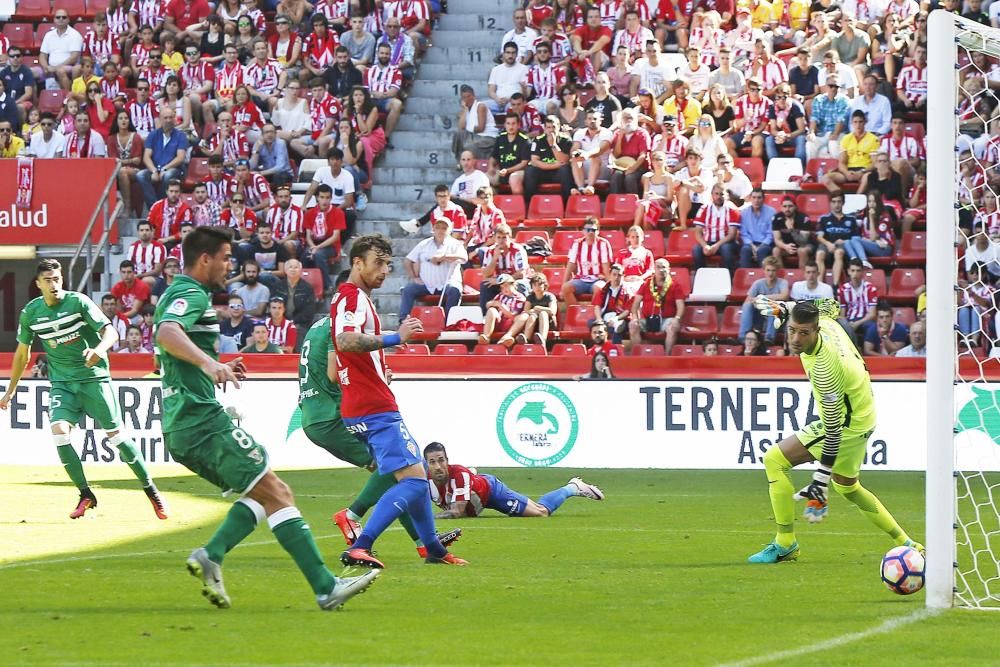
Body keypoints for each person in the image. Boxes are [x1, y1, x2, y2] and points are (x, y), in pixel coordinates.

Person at [153, 227, 377, 609]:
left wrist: (218, 364)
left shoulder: (184, 294)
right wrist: (209, 364)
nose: (230, 265)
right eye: (225, 257)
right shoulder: (189, 293)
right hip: (200, 422)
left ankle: (213, 554)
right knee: (279, 493)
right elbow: (166, 332)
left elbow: (174, 344)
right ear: (205, 258)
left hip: (184, 424)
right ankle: (325, 587)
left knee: (262, 494)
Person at [746, 297, 924, 563]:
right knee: (849, 488)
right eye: (792, 330)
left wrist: (820, 479)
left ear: (816, 331)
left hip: (847, 424)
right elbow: (831, 303)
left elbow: (833, 431)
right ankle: (908, 543)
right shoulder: (826, 318)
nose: (795, 339)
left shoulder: (825, 369)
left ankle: (785, 543)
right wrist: (787, 307)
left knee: (775, 459)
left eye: (803, 333)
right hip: (865, 413)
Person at [332, 234, 467, 568]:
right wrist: (396, 338)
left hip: (364, 403)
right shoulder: (352, 298)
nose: (384, 270)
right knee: (416, 481)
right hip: (373, 407)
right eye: (377, 263)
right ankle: (360, 545)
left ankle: (433, 548)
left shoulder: (352, 299)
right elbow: (346, 340)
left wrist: (376, 368)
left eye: (388, 264)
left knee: (417, 478)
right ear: (357, 263)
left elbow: (337, 362)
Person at [0, 259, 167, 520]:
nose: (53, 285)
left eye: (57, 279)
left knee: (117, 438)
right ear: (38, 284)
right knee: (59, 433)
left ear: (62, 279)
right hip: (63, 384)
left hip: (93, 380)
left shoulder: (79, 302)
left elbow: (110, 332)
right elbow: (23, 354)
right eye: (48, 280)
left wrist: (98, 351)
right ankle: (86, 494)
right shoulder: (31, 313)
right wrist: (11, 391)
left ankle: (151, 489)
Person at [301, 315, 463, 559]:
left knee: (400, 474)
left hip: (319, 413)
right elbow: (334, 374)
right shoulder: (339, 323)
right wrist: (372, 382)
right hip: (331, 415)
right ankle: (353, 515)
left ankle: (424, 543)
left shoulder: (317, 326)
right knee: (399, 468)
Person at [426, 442, 603, 518]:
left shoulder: (459, 475)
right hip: (475, 496)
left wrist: (430, 519)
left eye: (441, 460)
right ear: (427, 465)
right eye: (432, 462)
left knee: (541, 512)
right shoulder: (425, 482)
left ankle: (572, 487)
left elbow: (457, 512)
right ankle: (474, 480)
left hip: (492, 492)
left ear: (447, 461)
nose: (438, 466)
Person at [399, 219, 467, 321]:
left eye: (444, 228)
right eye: (438, 228)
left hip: (447, 283)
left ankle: (450, 321)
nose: (440, 231)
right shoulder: (424, 244)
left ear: (449, 230)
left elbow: (464, 258)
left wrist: (444, 257)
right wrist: (415, 277)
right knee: (408, 290)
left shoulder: (455, 244)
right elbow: (408, 260)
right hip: (427, 284)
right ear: (433, 229)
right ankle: (403, 320)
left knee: (455, 290)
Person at [137, 107, 189, 210]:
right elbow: (146, 157)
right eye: (165, 118)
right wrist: (154, 171)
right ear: (160, 119)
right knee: (140, 175)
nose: (168, 120)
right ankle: (154, 207)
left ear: (175, 119)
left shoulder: (181, 136)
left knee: (167, 175)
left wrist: (164, 169)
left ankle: (162, 205)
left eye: (171, 117)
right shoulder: (153, 135)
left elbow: (180, 158)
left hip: (174, 169)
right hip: (155, 168)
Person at [629, 258, 685, 354]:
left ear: (668, 269)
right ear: (654, 269)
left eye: (664, 267)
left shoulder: (675, 285)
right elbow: (635, 304)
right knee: (633, 325)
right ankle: (638, 355)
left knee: (672, 327)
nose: (661, 270)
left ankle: (667, 357)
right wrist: (634, 317)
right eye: (658, 267)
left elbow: (681, 306)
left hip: (666, 320)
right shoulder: (646, 284)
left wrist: (677, 319)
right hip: (647, 320)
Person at [561, 216, 613, 306]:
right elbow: (570, 265)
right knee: (566, 288)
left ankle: (592, 313)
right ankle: (577, 312)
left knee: (599, 288)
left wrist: (611, 286)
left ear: (598, 231)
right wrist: (564, 284)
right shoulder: (577, 243)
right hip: (581, 279)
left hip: (598, 279)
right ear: (583, 231)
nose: (590, 232)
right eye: (588, 230)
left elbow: (606, 268)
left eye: (593, 230)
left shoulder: (603, 244)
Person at [523, 114, 574, 204]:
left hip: (558, 173)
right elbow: (534, 161)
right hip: (543, 171)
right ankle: (529, 203)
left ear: (559, 126)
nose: (551, 130)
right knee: (530, 170)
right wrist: (554, 165)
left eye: (553, 127)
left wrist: (553, 145)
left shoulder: (566, 140)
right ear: (545, 129)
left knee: (565, 169)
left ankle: (567, 203)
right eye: (548, 127)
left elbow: (564, 160)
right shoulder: (538, 140)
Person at [692, 184, 740, 273]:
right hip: (708, 241)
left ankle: (728, 278)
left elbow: (732, 234)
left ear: (727, 196)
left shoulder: (732, 209)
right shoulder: (704, 208)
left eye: (721, 194)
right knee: (697, 250)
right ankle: (701, 278)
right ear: (712, 195)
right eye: (716, 194)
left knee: (726, 250)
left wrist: (716, 246)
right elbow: (698, 232)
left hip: (726, 242)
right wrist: (705, 245)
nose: (718, 197)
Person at [740, 257, 790, 343]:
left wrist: (763, 298)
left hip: (776, 317)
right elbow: (747, 301)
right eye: (768, 270)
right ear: (764, 270)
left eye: (773, 270)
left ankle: (769, 337)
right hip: (759, 317)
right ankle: (743, 336)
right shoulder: (758, 283)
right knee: (747, 306)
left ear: (777, 271)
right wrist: (756, 303)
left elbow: (784, 296)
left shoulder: (782, 282)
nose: (770, 273)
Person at [815, 191, 859, 285]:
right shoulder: (823, 218)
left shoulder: (851, 219)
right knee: (819, 253)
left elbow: (856, 239)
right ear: (830, 203)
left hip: (843, 247)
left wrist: (844, 241)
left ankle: (835, 285)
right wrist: (828, 244)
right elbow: (819, 237)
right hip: (827, 244)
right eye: (834, 202)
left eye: (839, 202)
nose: (836, 205)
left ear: (843, 203)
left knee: (839, 252)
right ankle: (819, 285)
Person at [609, 107, 651, 195]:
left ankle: (633, 203)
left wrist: (632, 168)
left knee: (630, 177)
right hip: (622, 165)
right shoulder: (617, 133)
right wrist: (620, 137)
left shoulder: (642, 133)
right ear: (621, 121)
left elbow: (643, 155)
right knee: (616, 175)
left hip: (639, 166)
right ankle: (616, 202)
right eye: (625, 118)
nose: (628, 120)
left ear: (635, 120)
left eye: (630, 118)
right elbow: (616, 155)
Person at [40, 9, 84, 91]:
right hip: (50, 67)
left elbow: (74, 57)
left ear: (68, 20)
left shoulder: (75, 35)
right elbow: (43, 55)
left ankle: (69, 97)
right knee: (30, 72)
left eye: (64, 17)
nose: (61, 19)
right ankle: (36, 102)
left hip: (69, 66)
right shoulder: (49, 35)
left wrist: (56, 67)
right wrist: (46, 67)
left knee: (60, 71)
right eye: (58, 17)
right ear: (54, 20)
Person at [452, 84, 498, 162]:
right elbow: (461, 128)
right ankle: (460, 161)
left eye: (469, 96)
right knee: (458, 134)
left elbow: (480, 128)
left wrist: (469, 128)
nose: (467, 99)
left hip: (487, 136)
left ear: (474, 96)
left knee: (469, 145)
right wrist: (465, 109)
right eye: (464, 97)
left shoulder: (480, 106)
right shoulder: (465, 110)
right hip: (474, 135)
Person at [489, 113, 531, 197]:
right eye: (508, 123)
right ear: (504, 125)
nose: (511, 126)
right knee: (484, 179)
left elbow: (524, 163)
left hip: (519, 171)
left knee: (514, 178)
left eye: (513, 123)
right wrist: (491, 167)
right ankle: (495, 204)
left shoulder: (524, 140)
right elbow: (493, 157)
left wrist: (508, 170)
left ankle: (519, 206)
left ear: (518, 124)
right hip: (502, 171)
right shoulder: (500, 138)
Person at [838, 258, 879, 342]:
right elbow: (842, 314)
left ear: (862, 272)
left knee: (872, 327)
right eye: (853, 270)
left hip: (866, 319)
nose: (855, 274)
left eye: (858, 271)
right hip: (850, 319)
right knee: (841, 326)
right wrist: (847, 323)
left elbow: (872, 314)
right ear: (848, 271)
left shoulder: (871, 289)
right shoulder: (842, 289)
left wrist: (857, 323)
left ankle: (867, 350)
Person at [272, 258, 316, 337]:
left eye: (296, 267)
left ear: (300, 270)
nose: (293, 269)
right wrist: (283, 321)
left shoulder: (307, 288)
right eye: (290, 267)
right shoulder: (277, 286)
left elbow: (309, 312)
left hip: (299, 323)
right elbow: (272, 306)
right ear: (285, 270)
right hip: (279, 321)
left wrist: (292, 321)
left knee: (297, 330)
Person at [480, 274, 527, 346]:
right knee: (491, 310)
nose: (504, 289)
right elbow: (488, 304)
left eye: (506, 286)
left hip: (511, 323)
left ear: (513, 285)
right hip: (499, 321)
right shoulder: (500, 296)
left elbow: (512, 314)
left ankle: (507, 336)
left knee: (523, 316)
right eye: (501, 287)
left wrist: (500, 305)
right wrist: (492, 303)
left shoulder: (520, 298)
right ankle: (486, 336)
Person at [771, 194, 813, 268]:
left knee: (802, 251)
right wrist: (785, 246)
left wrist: (791, 230)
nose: (787, 209)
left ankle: (802, 276)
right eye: (784, 206)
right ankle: (781, 275)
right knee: (776, 250)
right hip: (786, 246)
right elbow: (777, 240)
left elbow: (803, 242)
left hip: (804, 245)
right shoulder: (777, 218)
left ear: (795, 207)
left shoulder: (803, 218)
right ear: (781, 207)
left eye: (790, 206)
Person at [489, 42, 530, 113]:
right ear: (503, 54)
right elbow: (491, 90)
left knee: (512, 107)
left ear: (517, 54)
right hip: (497, 102)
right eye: (508, 52)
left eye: (513, 53)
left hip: (513, 102)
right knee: (480, 106)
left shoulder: (524, 69)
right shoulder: (496, 69)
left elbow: (524, 92)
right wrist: (497, 99)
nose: (510, 55)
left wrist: (508, 99)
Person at [740, 188, 776, 268]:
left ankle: (763, 277)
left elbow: (770, 234)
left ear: (763, 199)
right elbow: (744, 234)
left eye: (759, 198)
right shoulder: (744, 212)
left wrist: (760, 247)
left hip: (765, 243)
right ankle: (746, 276)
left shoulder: (771, 212)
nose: (756, 200)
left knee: (762, 251)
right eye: (754, 197)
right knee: (745, 250)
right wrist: (753, 247)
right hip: (750, 243)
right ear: (750, 198)